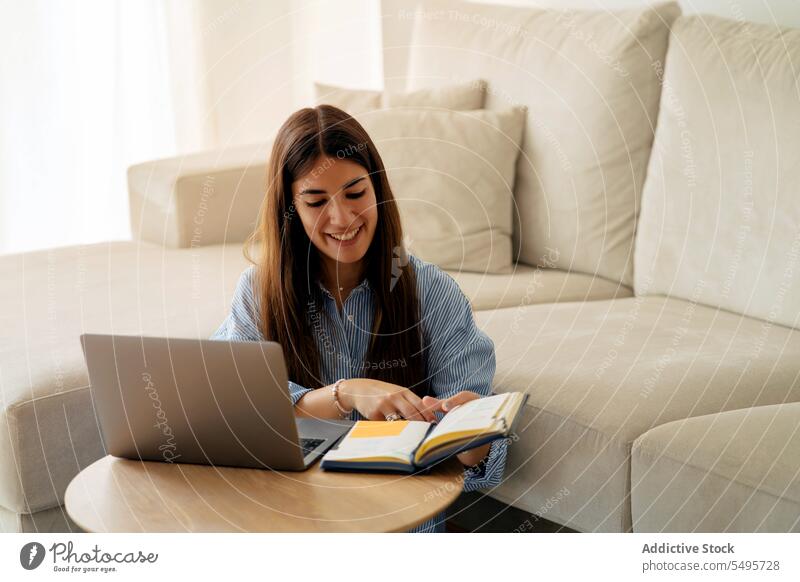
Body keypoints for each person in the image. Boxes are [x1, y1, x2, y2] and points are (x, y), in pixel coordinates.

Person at [211, 104, 509, 532]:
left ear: (378, 190)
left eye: (355, 194)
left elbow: (482, 465)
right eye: (316, 202)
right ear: (288, 210)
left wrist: (473, 435)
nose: (343, 218)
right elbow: (238, 410)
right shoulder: (258, 293)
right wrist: (345, 394)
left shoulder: (432, 293)